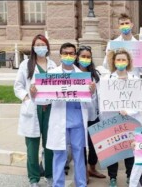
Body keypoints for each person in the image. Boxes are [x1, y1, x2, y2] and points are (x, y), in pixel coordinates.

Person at [41, 42, 95, 187]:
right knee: (59, 155)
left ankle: (81, 184)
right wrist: (35, 93)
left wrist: (92, 92)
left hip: (77, 121)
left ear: (75, 56)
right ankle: (58, 185)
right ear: (60, 55)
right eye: (65, 53)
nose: (68, 56)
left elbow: (89, 103)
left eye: (71, 53)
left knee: (79, 154)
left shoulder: (82, 76)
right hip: (60, 121)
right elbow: (43, 100)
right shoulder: (52, 75)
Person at [14, 34, 57, 187]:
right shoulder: (26, 64)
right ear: (33, 47)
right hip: (33, 109)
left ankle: (50, 175)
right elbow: (17, 86)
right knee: (32, 147)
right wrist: (26, 97)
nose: (40, 47)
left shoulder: (53, 65)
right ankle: (33, 178)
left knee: (50, 145)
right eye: (37, 44)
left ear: (47, 46)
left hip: (50, 108)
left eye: (42, 44)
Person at [102, 48, 142, 186]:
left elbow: (139, 101)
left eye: (123, 60)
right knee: (113, 148)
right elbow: (104, 100)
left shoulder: (135, 79)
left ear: (128, 62)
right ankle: (112, 177)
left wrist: (128, 111)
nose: (121, 62)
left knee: (130, 148)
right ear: (113, 61)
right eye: (118, 59)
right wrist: (116, 108)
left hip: (130, 119)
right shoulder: (107, 79)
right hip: (112, 119)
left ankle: (130, 175)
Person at [74, 45, 106, 183]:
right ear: (77, 57)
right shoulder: (73, 74)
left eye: (88, 57)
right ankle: (83, 171)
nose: (85, 59)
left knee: (94, 144)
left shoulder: (95, 75)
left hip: (94, 114)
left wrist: (92, 92)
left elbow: (100, 94)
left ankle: (92, 168)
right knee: (81, 145)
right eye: (83, 56)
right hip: (78, 115)